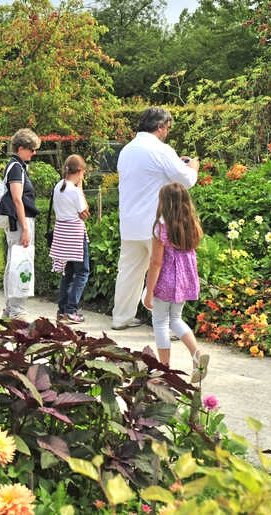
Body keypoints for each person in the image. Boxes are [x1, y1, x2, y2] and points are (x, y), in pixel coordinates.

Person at [112, 107, 199, 330]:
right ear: (160, 126)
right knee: (162, 272)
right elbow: (185, 180)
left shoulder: (127, 150)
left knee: (128, 272)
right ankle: (165, 325)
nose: (167, 132)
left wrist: (175, 163)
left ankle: (121, 318)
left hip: (130, 223)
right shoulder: (161, 150)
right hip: (155, 224)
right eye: (167, 128)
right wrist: (192, 167)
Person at [143, 183, 209, 383]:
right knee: (176, 319)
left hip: (165, 280)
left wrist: (149, 290)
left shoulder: (160, 226)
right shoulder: (191, 224)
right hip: (184, 280)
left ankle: (164, 370)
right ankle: (197, 354)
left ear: (164, 203)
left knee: (161, 322)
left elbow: (156, 262)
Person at [0, 128, 41, 319]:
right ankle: (17, 311)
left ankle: (10, 308)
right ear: (21, 147)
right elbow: (17, 199)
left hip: (19, 222)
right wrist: (25, 229)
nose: (34, 153)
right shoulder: (16, 168)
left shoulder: (17, 166)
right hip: (20, 222)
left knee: (14, 263)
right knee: (20, 264)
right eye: (31, 149)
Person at [49, 155, 90, 324]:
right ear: (79, 171)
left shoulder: (58, 186)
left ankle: (61, 310)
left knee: (68, 273)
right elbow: (85, 213)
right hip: (75, 235)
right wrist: (80, 189)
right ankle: (71, 311)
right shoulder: (74, 190)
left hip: (61, 234)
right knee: (82, 272)